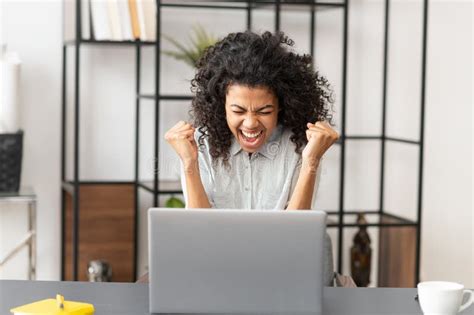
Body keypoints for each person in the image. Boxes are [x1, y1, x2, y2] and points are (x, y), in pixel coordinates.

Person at [164, 31, 339, 286]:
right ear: (220, 105)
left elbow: (294, 240)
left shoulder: (302, 144)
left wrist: (311, 161)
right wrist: (189, 163)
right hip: (215, 273)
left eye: (264, 111)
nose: (250, 123)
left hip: (283, 275)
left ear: (281, 105)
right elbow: (199, 237)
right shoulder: (198, 143)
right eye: (237, 110)